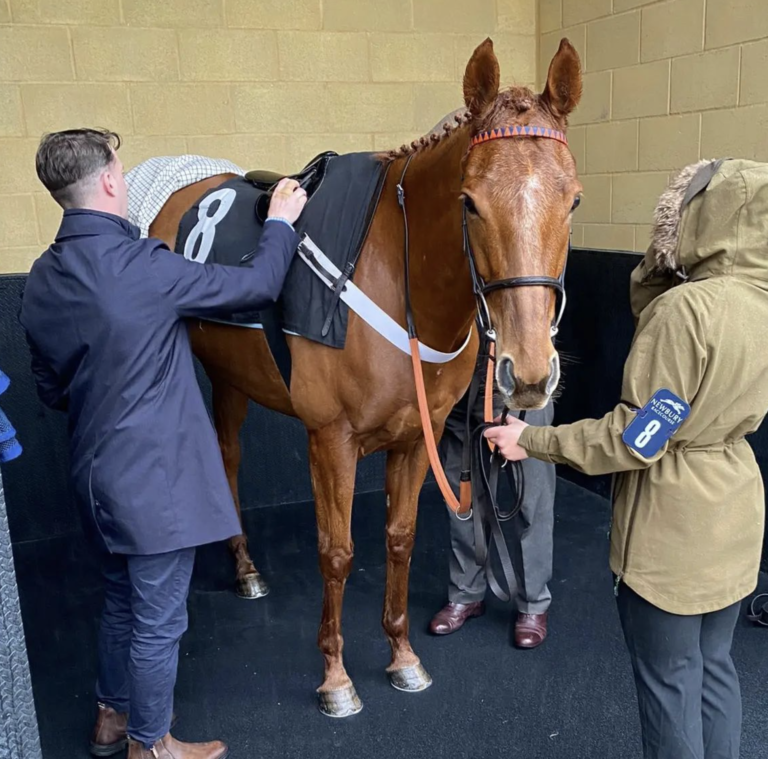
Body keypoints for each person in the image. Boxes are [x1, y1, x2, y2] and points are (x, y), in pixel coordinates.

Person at [18, 128, 307, 759]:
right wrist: (281, 221)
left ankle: (109, 718)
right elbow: (254, 287)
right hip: (156, 486)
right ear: (113, 181)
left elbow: (50, 390)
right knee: (159, 620)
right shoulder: (145, 265)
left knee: (121, 599)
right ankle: (150, 748)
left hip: (92, 478)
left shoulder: (39, 280)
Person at [484, 158, 768, 759]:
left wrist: (530, 441)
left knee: (668, 685)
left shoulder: (686, 312)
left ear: (699, 222)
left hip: (674, 533)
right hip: (737, 514)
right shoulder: (754, 302)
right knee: (715, 669)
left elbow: (635, 440)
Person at [429, 332, 556, 649]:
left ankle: (533, 604)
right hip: (456, 374)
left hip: (519, 373)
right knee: (462, 496)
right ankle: (466, 593)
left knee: (532, 496)